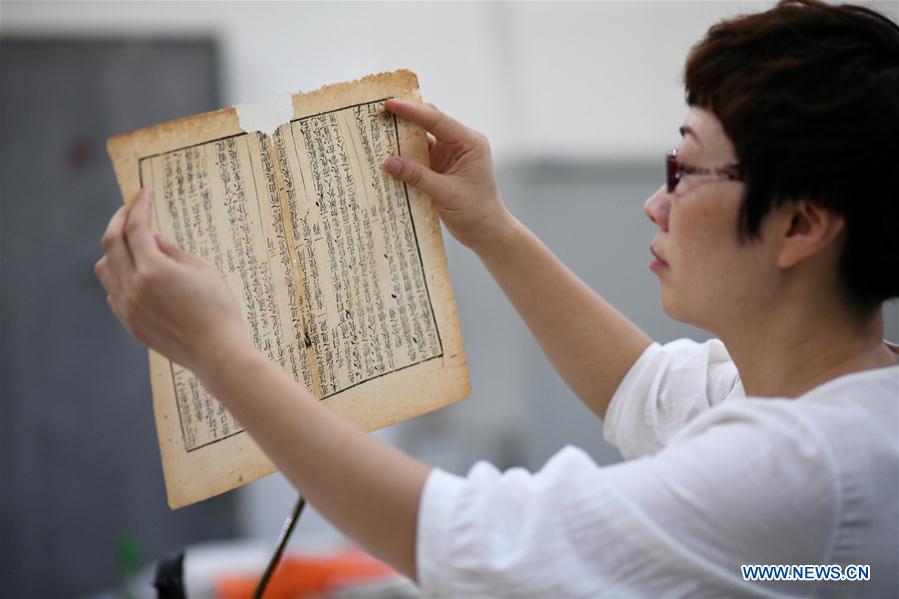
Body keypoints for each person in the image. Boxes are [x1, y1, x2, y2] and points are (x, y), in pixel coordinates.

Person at [95, 0, 899, 595]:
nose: (656, 204)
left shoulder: (805, 469)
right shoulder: (830, 402)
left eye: (685, 173)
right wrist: (491, 228)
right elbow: (643, 390)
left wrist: (221, 354)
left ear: (799, 224)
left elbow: (473, 537)